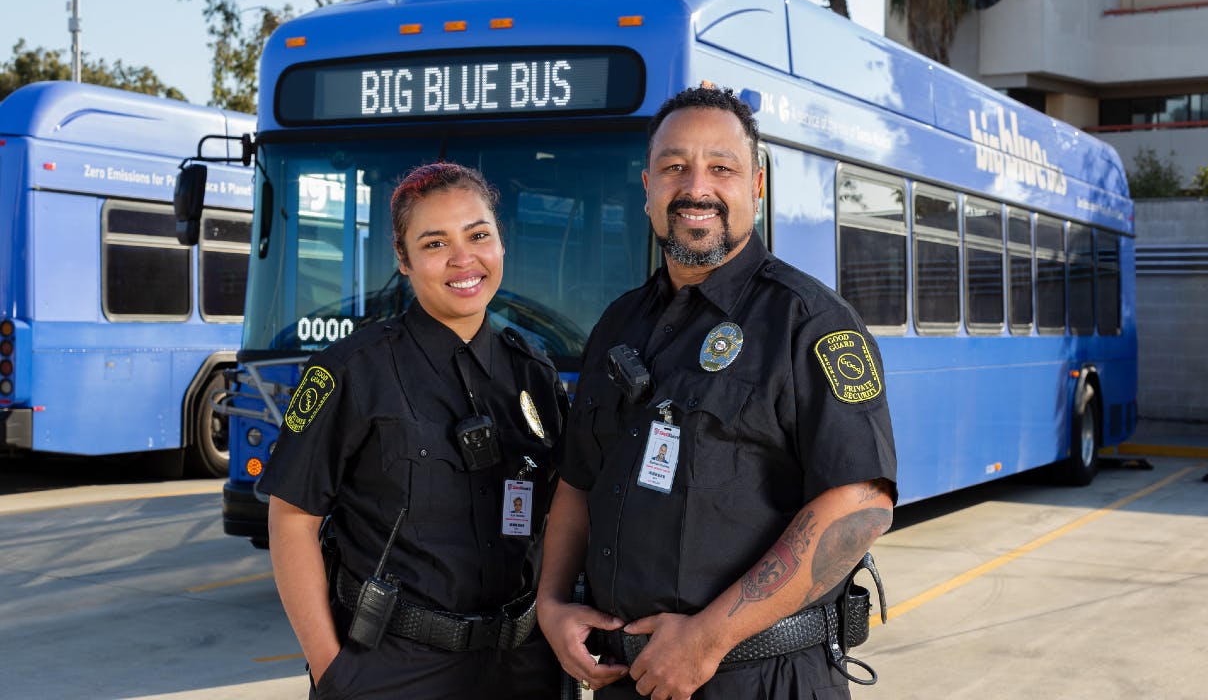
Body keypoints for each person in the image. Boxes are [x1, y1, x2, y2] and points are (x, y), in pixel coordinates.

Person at [537, 86, 898, 700]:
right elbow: (578, 481)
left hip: (762, 679)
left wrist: (708, 636)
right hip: (628, 678)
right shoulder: (618, 324)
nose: (696, 187)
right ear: (647, 184)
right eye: (675, 167)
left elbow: (861, 506)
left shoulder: (810, 322)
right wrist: (551, 603)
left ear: (755, 186)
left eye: (721, 168)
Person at [259, 162, 567, 699]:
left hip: (522, 667)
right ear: (403, 260)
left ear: (500, 244)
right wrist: (333, 672)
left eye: (478, 235)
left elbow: (564, 511)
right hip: (394, 669)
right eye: (434, 244)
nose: (462, 259)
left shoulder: (533, 373)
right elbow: (291, 521)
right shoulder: (350, 371)